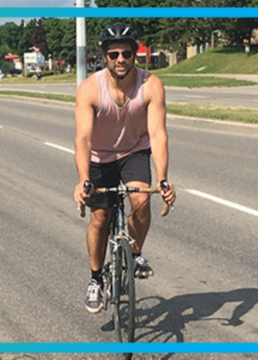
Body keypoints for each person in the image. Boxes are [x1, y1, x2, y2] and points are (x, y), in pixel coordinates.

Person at [72, 22, 176, 314]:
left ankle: (135, 253)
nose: (121, 60)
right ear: (104, 56)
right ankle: (95, 280)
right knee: (100, 219)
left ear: (135, 54)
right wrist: (83, 180)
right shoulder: (90, 89)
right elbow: (83, 138)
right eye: (114, 54)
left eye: (127, 53)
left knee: (142, 201)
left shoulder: (151, 85)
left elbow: (157, 135)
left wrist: (164, 178)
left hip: (133, 151)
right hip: (99, 157)